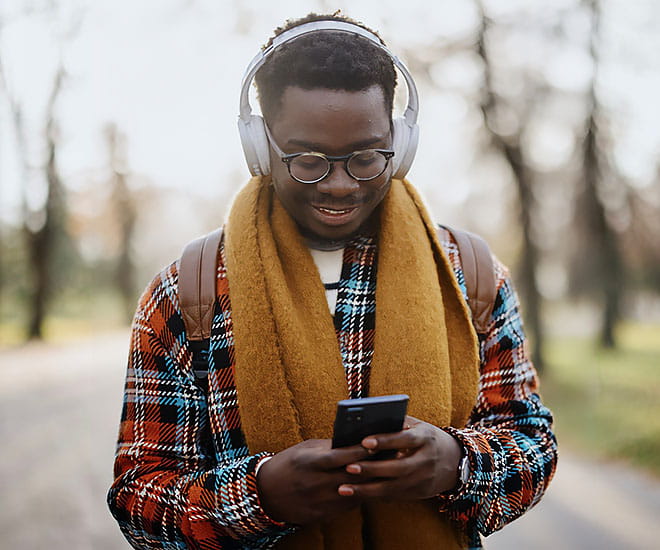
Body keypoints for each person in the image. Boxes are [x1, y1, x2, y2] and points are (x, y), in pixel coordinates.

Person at [107, 12, 557, 550]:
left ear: (401, 142)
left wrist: (458, 465)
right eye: (308, 160)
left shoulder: (469, 276)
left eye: (367, 157)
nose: (340, 185)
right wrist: (259, 498)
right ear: (260, 146)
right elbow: (137, 496)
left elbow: (534, 443)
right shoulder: (188, 291)